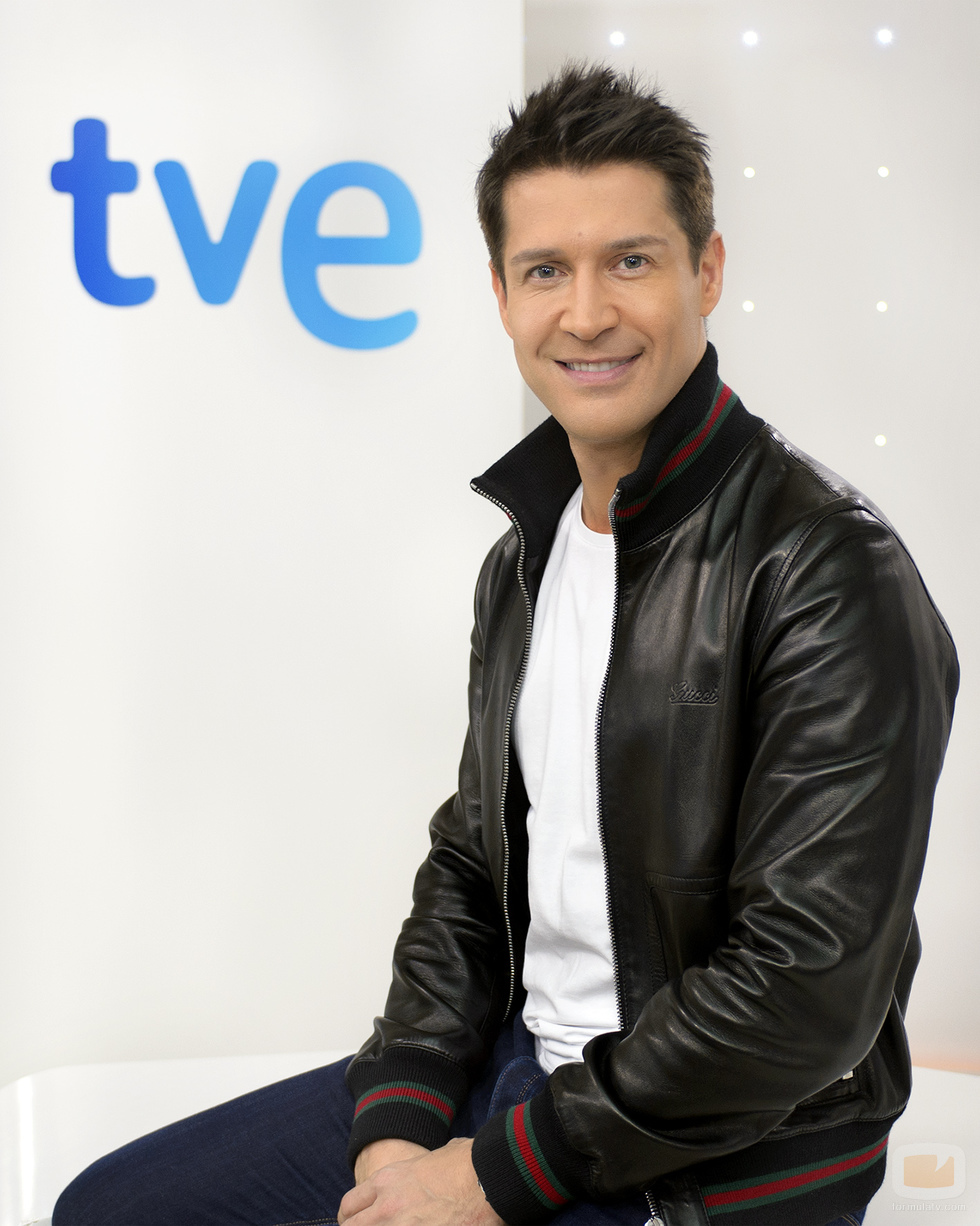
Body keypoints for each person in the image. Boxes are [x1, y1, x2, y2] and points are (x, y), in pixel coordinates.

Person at [53, 64, 957, 1226]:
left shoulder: (825, 567)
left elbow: (801, 985)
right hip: (523, 1073)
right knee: (112, 1206)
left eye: (628, 260)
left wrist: (486, 1173)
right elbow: (475, 862)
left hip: (714, 1147)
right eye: (544, 271)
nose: (583, 313)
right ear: (500, 294)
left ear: (706, 270)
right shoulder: (525, 553)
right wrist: (400, 1112)